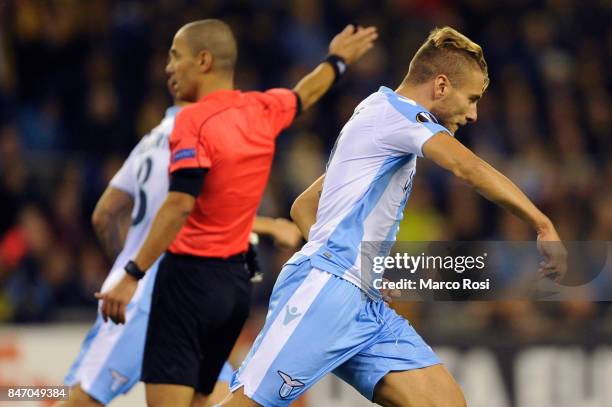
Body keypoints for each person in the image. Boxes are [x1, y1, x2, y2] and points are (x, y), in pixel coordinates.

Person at [221, 26, 567, 407]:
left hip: (364, 302)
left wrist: (359, 267)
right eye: (471, 99)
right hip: (326, 292)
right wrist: (542, 222)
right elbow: (466, 168)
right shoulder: (397, 116)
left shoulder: (376, 115)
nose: (473, 114)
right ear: (440, 86)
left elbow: (304, 204)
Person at [95, 19, 378, 407]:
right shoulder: (262, 109)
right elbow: (304, 94)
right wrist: (337, 61)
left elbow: (179, 204)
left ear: (204, 60)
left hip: (186, 283)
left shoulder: (192, 122)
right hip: (234, 289)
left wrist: (131, 274)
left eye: (176, 57)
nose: (168, 68)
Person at [62, 78, 303, 407]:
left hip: (150, 293)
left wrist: (126, 263)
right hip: (184, 292)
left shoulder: (150, 141)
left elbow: (103, 215)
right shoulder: (200, 136)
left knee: (87, 399)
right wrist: (270, 225)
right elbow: (190, 212)